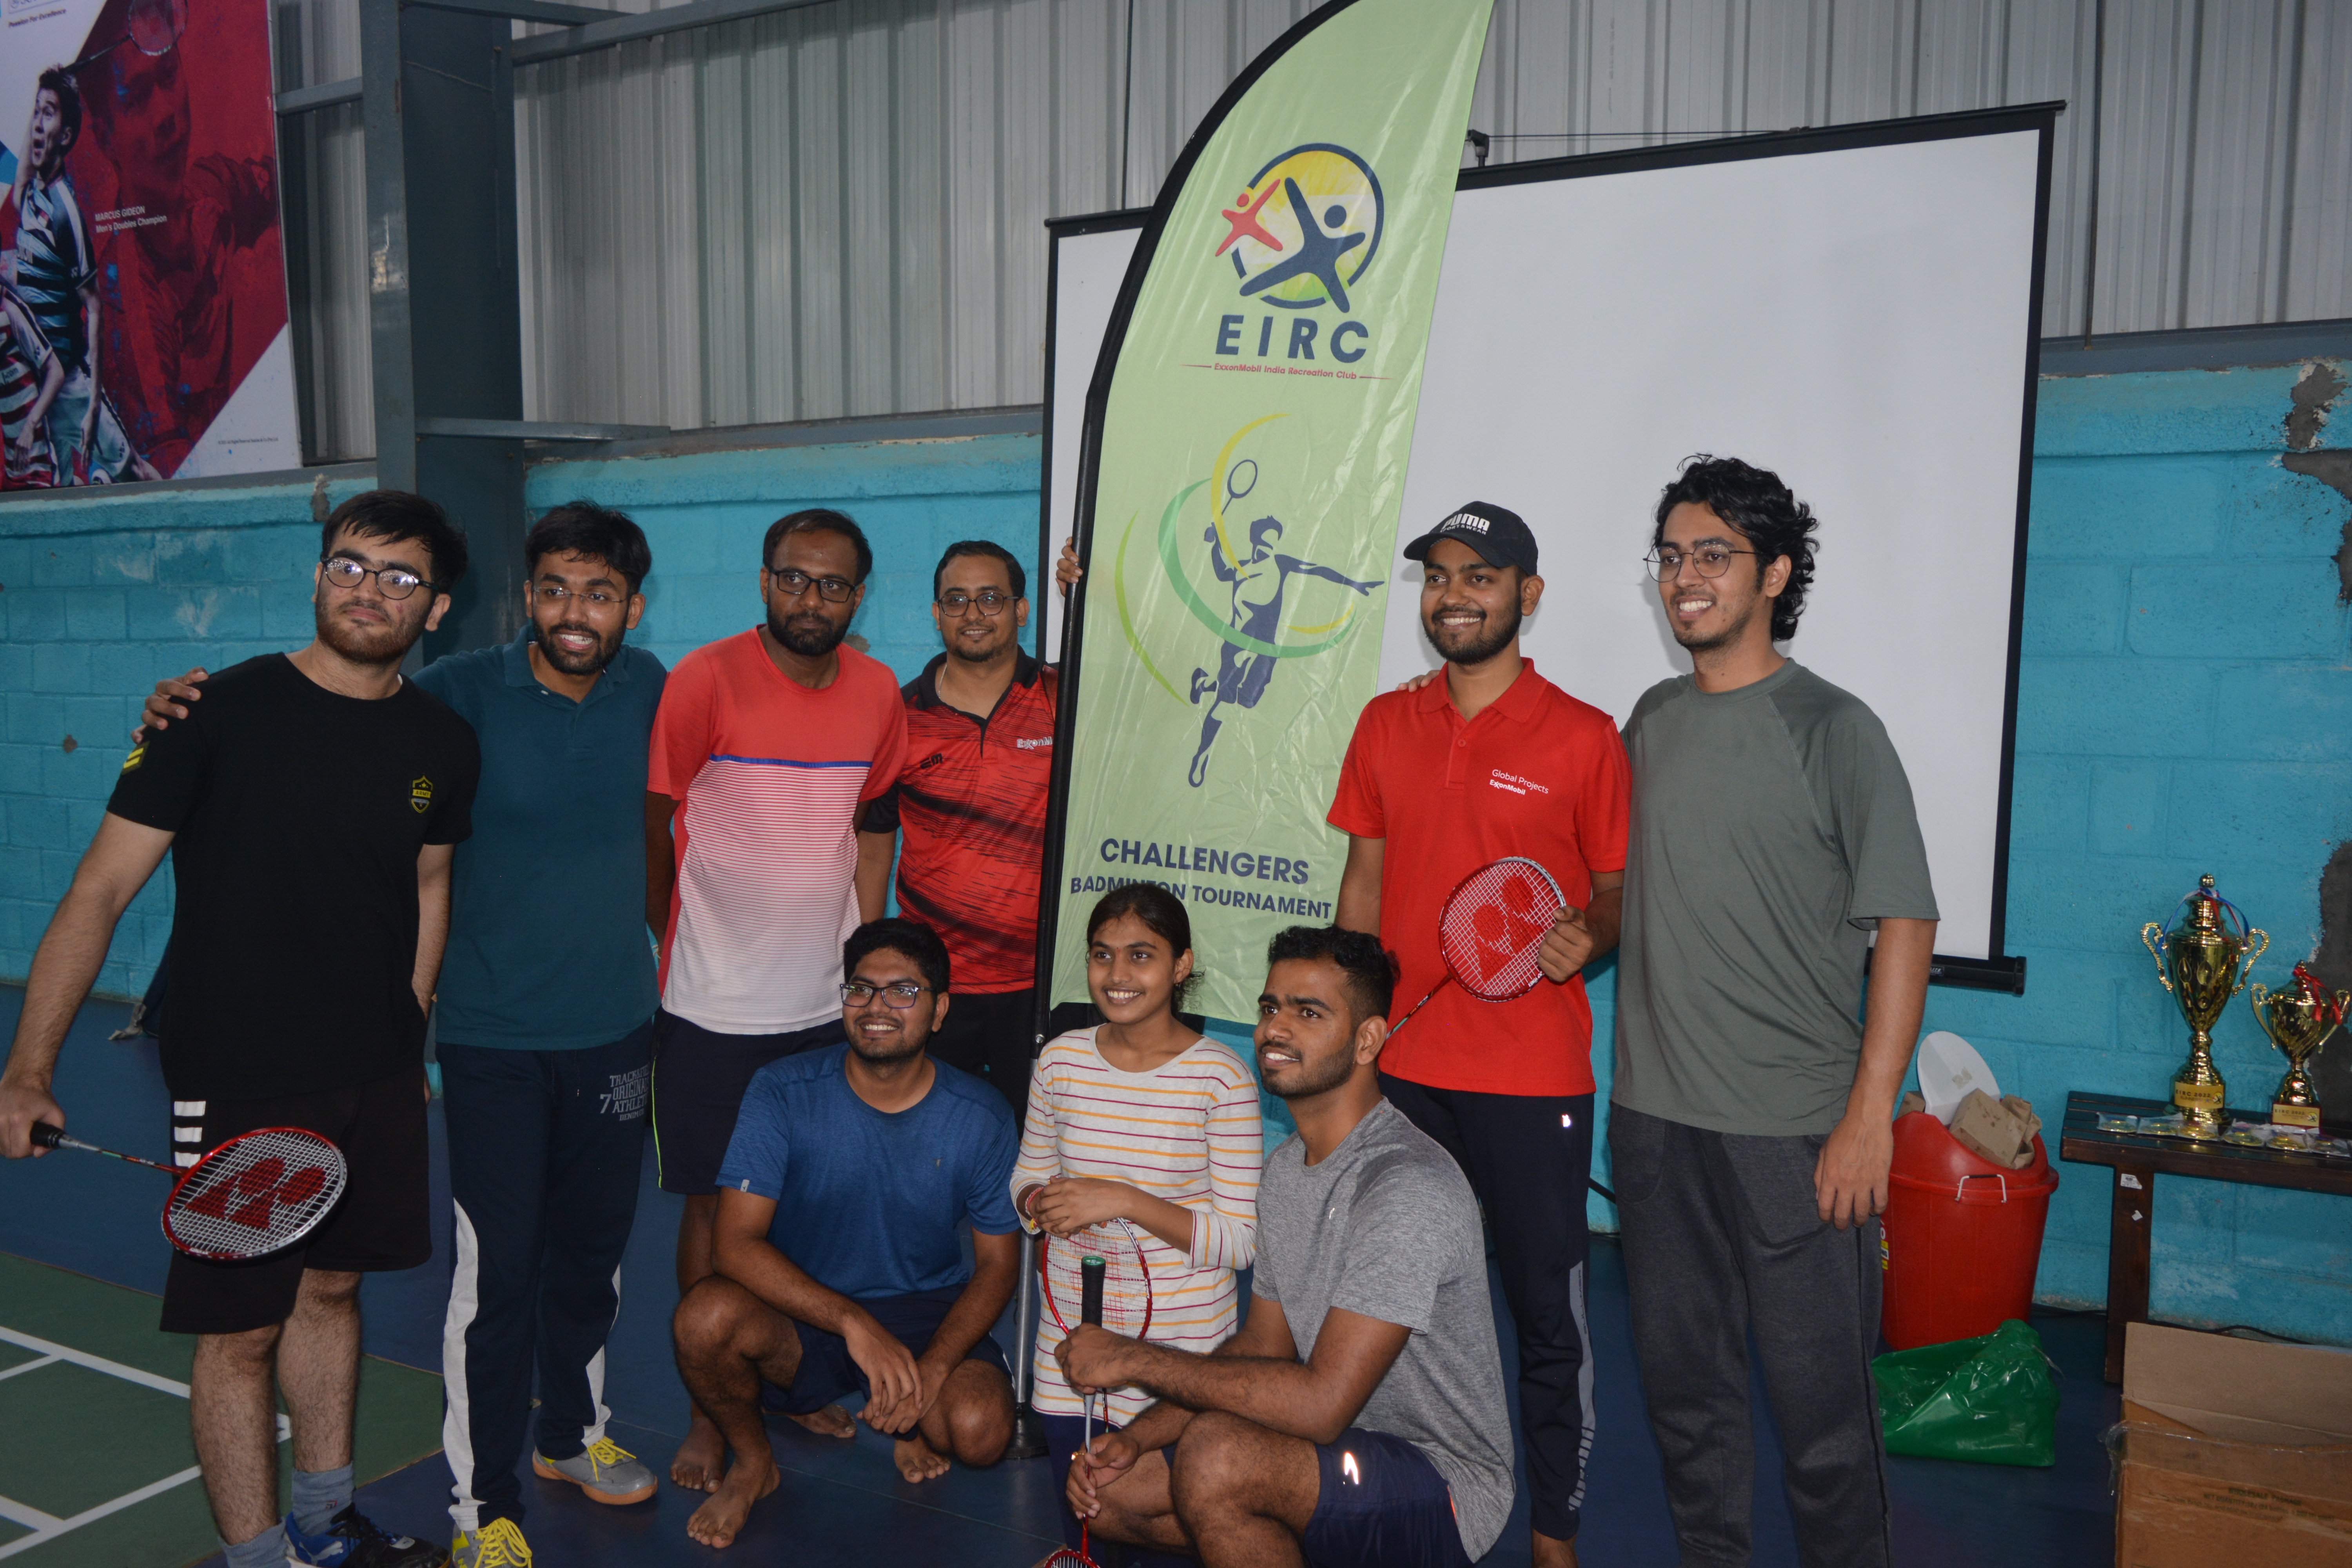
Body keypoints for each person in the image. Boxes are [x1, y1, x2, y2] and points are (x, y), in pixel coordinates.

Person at [135, 503, 672, 1566]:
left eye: (600, 593)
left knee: (593, 1261)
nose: (575, 611)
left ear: (633, 607)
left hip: (616, 1026)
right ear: (525, 596)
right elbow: (341, 695)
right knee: (496, 1274)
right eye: (555, 588)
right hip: (488, 1033)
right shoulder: (458, 691)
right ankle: (483, 1503)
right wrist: (180, 708)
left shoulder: (659, 690)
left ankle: (573, 1435)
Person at [0, 491, 479, 1568]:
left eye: (400, 577)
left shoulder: (442, 741)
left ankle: (325, 1519)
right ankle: (257, 1558)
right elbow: (98, 891)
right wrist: (28, 1066)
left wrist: (410, 1029)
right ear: (317, 575)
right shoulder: (212, 714)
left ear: (438, 607)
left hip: (375, 1069)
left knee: (336, 1289)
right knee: (242, 1329)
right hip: (240, 1069)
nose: (369, 590)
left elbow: (429, 884)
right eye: (349, 565)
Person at [1611, 455, 1938, 1566]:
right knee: (1687, 1406)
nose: (1685, 577)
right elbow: (1627, 889)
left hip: (1797, 1135)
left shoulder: (1835, 728)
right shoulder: (1651, 719)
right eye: (1671, 556)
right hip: (1656, 1126)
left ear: (1777, 573)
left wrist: (1869, 1117)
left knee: (1824, 1423)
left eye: (1714, 553)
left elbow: (1905, 922)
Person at [1329, 501, 1630, 1568]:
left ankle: (1554, 1535)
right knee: (1390, 1306)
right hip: (1401, 1072)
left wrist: (1591, 932)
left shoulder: (1586, 735)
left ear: (1527, 595)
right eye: (1439, 576)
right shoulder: (1384, 723)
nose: (1454, 596)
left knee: (1547, 1318)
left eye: (1480, 576)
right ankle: (1395, 1502)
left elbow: (1614, 890)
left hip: (1530, 1078)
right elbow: (1362, 882)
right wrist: (1344, 1023)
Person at [1059, 924, 1514, 1568]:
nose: (1276, 1028)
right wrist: (1138, 1438)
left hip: (1440, 1483)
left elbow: (1322, 1406)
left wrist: (1133, 1360)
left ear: (1367, 1040)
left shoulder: (1406, 1186)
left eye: (1309, 1013)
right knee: (1110, 1494)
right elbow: (1262, 1346)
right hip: (1335, 1454)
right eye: (1270, 1007)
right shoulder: (1285, 1171)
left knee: (1217, 1458)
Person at [644, 507, 908, 1492]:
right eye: (794, 578)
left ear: (858, 596)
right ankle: (711, 1407)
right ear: (764, 581)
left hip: (821, 1003)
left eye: (833, 584)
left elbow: (873, 822)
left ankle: (791, 1380)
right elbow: (655, 820)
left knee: (807, 1204)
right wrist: (672, 934)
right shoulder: (704, 678)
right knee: (715, 1207)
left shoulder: (878, 690)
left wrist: (866, 948)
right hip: (712, 1007)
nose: (811, 598)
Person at [669, 918, 1021, 1549]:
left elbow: (998, 1265)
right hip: (808, 1310)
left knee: (979, 1431)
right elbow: (733, 1244)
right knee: (703, 1320)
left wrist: (934, 1368)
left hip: (924, 1311)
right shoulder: (782, 1090)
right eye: (861, 989)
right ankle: (756, 1462)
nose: (876, 1007)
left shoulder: (981, 1115)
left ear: (939, 1010)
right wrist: (854, 1323)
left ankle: (905, 1419)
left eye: (903, 992)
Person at [1011, 884, 1261, 1563]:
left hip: (1181, 1360)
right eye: (1103, 955)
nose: (1118, 974)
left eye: (1141, 955)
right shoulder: (1061, 1060)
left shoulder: (1221, 1080)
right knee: (1085, 1523)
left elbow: (1240, 1242)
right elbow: (1026, 1179)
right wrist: (1040, 1204)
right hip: (1070, 1352)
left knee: (1166, 1529)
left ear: (1181, 966)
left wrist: (1122, 1199)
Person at [859, 539, 1058, 1115]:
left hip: (1043, 983)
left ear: (1022, 610)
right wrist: (871, 959)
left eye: (991, 598)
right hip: (935, 983)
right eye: (956, 600)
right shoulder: (901, 716)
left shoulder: (1062, 698)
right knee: (935, 1140)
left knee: (1039, 1145)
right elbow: (874, 848)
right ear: (936, 613)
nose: (973, 614)